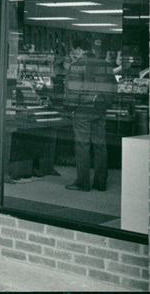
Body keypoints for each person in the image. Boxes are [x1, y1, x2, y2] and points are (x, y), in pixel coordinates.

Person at [64, 38, 116, 192]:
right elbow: (113, 86)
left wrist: (70, 108)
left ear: (79, 49)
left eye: (74, 50)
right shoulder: (105, 64)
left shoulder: (77, 65)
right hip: (100, 109)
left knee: (82, 145)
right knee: (100, 145)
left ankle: (82, 183)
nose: (74, 53)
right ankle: (100, 182)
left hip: (83, 110)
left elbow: (73, 90)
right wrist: (106, 104)